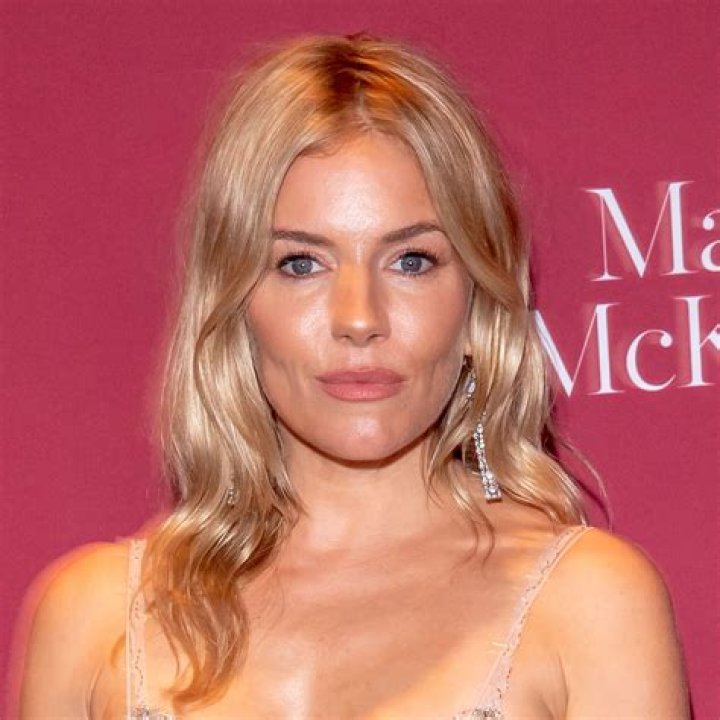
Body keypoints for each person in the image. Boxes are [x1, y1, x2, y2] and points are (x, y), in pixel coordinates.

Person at [14, 34, 688, 719]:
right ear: (236, 300)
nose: (360, 318)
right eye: (301, 264)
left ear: (478, 298)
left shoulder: (588, 606)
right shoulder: (93, 621)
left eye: (412, 261)